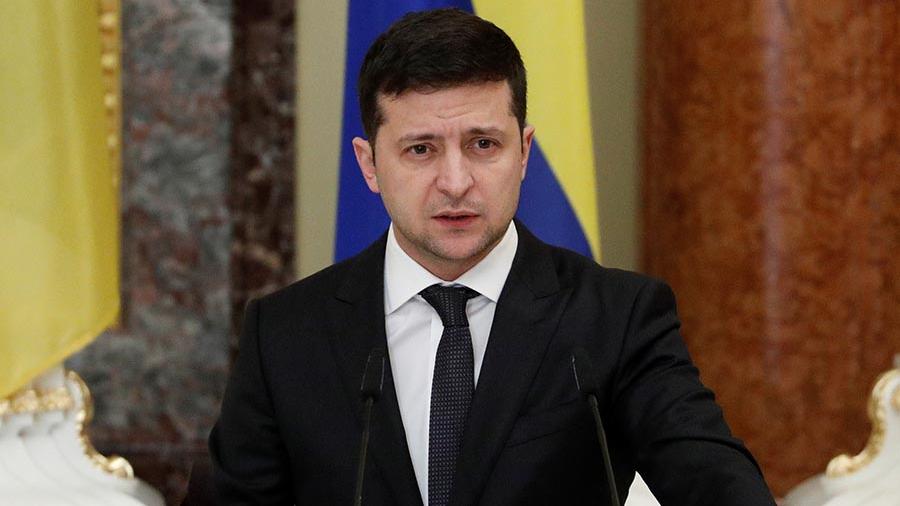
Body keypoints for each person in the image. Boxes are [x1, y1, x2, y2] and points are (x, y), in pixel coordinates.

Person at [209, 8, 775, 505]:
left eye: (483, 144)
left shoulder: (616, 318)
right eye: (421, 149)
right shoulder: (285, 334)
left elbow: (717, 484)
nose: (456, 182)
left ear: (523, 152)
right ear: (369, 164)